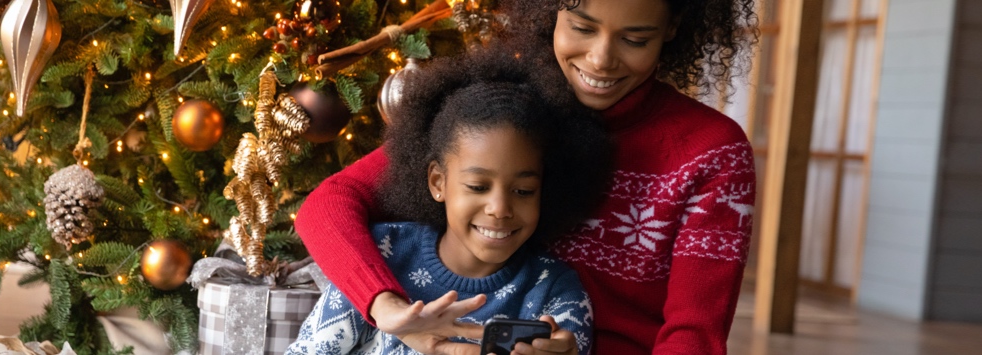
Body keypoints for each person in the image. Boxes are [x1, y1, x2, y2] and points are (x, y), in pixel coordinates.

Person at [295, 0, 758, 354]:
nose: (600, 60)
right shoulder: (507, 112)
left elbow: (694, 336)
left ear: (673, 29)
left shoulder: (713, 151)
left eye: (635, 39)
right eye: (581, 27)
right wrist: (385, 306)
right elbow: (329, 204)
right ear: (549, 10)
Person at [286, 47, 612, 355]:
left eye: (523, 191)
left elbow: (567, 344)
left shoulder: (555, 291)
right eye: (477, 186)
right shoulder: (382, 253)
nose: (500, 208)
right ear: (437, 182)